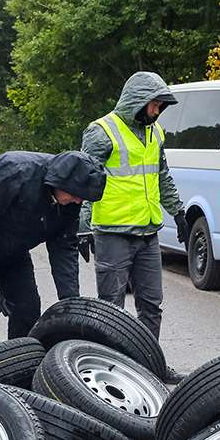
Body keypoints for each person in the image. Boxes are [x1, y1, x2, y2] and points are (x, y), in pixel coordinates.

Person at [0, 150, 106, 353]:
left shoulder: (69, 200)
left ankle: (19, 363)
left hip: (13, 246)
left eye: (83, 198)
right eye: (75, 195)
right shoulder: (15, 171)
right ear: (60, 182)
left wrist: (70, 300)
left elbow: (63, 246)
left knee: (27, 307)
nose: (78, 201)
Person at [80, 71, 187, 348]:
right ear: (137, 101)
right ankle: (112, 368)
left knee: (152, 306)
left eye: (161, 106)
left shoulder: (155, 133)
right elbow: (83, 181)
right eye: (154, 104)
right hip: (113, 234)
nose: (157, 111)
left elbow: (162, 176)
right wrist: (82, 227)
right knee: (112, 310)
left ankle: (151, 364)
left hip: (148, 234)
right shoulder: (102, 131)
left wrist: (179, 212)